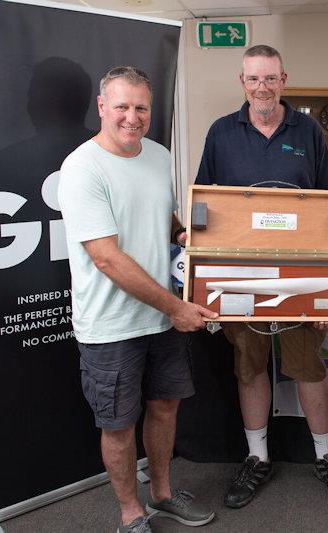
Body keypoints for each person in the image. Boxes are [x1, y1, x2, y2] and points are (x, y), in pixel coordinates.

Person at [195, 45, 328, 508]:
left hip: (301, 277)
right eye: (253, 79)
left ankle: (326, 455)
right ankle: (257, 457)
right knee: (248, 367)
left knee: (308, 366)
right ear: (241, 82)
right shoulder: (221, 133)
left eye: (270, 78)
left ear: (283, 79)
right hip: (241, 278)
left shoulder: (306, 131)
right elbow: (203, 207)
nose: (262, 87)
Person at [59, 66, 218, 533]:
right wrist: (175, 307)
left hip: (163, 322)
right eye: (122, 106)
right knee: (119, 425)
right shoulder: (81, 168)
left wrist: (183, 233)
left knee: (165, 406)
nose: (132, 117)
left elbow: (162, 216)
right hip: (112, 325)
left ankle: (163, 495)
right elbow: (106, 256)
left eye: (141, 107)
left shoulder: (159, 155)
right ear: (102, 107)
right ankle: (131, 514)